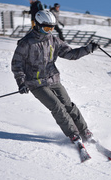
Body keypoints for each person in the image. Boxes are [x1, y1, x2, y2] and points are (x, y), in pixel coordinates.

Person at [11, 10, 98, 144]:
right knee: (57, 107)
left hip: (53, 80)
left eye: (52, 28)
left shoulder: (54, 40)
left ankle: (85, 131)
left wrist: (88, 49)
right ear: (38, 25)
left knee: (68, 105)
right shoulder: (26, 43)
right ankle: (73, 135)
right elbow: (17, 64)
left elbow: (70, 54)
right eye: (46, 28)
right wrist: (21, 83)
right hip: (36, 84)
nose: (49, 31)